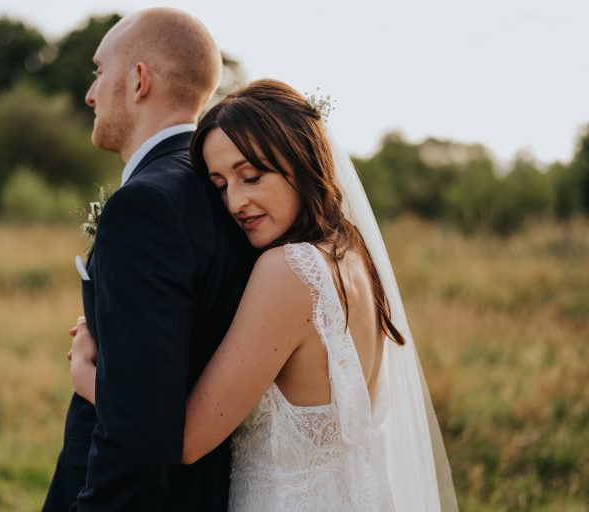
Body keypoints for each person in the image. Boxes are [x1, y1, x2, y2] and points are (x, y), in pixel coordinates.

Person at [69, 79, 458, 511]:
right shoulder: (352, 256)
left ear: (303, 163)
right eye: (220, 185)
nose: (235, 202)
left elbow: (183, 441)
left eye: (250, 176)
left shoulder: (288, 270)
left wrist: (89, 376)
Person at [42, 8, 257, 512]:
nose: (91, 93)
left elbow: (137, 438)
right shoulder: (222, 193)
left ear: (139, 80)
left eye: (99, 72)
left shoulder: (147, 206)